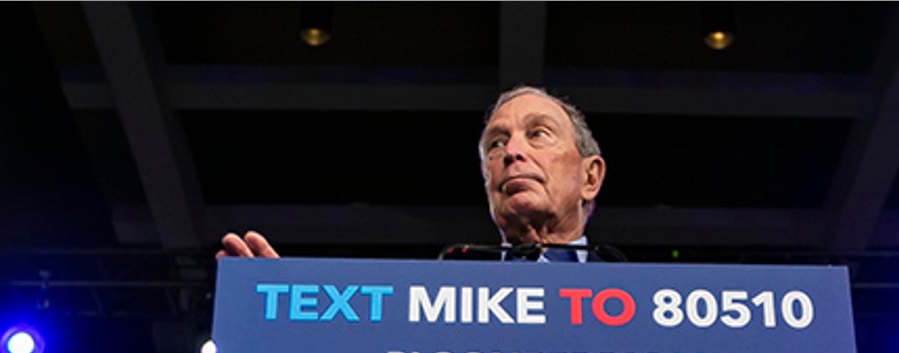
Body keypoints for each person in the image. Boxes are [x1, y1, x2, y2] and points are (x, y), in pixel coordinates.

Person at [219, 84, 608, 262]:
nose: (512, 153)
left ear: (590, 178)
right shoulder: (435, 302)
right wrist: (275, 312)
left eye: (538, 134)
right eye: (496, 144)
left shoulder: (653, 306)